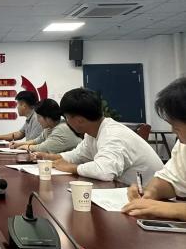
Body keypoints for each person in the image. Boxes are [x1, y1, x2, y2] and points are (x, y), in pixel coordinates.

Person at [34, 88, 163, 184]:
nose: (66, 121)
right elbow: (78, 155)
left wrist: (73, 168)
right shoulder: (93, 132)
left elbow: (105, 171)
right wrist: (50, 158)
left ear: (79, 120)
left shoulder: (112, 135)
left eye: (67, 117)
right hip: (125, 189)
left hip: (151, 197)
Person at [123, 78, 186, 221]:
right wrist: (151, 192)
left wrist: (174, 209)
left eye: (175, 124)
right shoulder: (183, 145)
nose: (172, 130)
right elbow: (172, 180)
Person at [15, 98, 81, 154]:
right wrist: (18, 144)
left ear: (48, 117)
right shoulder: (50, 127)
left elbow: (44, 148)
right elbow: (37, 140)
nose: (38, 120)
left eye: (39, 117)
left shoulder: (62, 129)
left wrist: (26, 147)